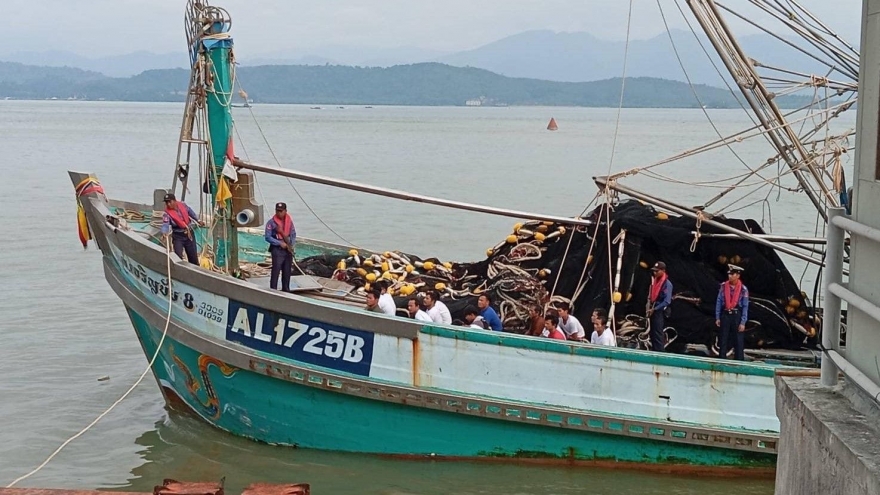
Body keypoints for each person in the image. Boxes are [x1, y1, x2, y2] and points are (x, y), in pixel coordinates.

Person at [715, 264, 750, 361]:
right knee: (723, 339)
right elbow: (719, 302)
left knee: (738, 340)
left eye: (732, 274)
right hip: (726, 314)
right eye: (729, 274)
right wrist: (718, 317)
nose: (730, 276)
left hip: (736, 314)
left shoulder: (743, 289)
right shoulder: (723, 287)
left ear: (738, 275)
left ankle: (739, 361)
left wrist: (743, 322)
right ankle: (721, 359)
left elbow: (745, 306)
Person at [160, 192, 204, 265]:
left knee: (193, 258)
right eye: (166, 202)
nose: (168, 204)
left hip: (189, 234)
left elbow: (191, 212)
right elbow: (165, 224)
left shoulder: (183, 205)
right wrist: (164, 232)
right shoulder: (166, 214)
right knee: (178, 257)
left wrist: (198, 220)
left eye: (169, 202)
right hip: (178, 236)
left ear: (174, 201)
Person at [265, 202, 296, 292]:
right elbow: (267, 237)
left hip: (287, 249)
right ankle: (273, 290)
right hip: (277, 250)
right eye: (277, 211)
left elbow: (293, 233)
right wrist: (279, 243)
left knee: (287, 271)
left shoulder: (289, 221)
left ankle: (286, 289)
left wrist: (292, 244)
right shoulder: (271, 223)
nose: (279, 213)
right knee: (276, 270)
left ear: (285, 211)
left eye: (281, 211)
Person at [647, 261, 673, 352]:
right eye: (654, 271)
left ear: (663, 271)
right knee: (653, 332)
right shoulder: (656, 281)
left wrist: (655, 308)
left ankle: (660, 352)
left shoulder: (667, 284)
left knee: (658, 332)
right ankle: (654, 350)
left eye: (657, 271)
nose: (655, 273)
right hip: (653, 309)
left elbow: (667, 301)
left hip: (660, 310)